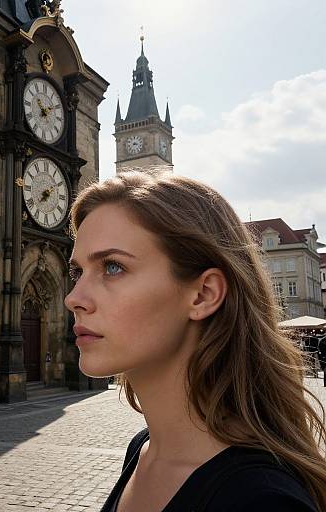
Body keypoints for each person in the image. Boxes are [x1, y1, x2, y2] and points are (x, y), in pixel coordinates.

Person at [64, 171, 326, 511]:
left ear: (203, 294)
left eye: (113, 267)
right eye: (76, 272)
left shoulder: (262, 501)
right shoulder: (142, 451)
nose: (74, 298)